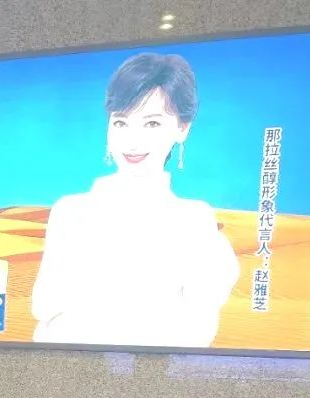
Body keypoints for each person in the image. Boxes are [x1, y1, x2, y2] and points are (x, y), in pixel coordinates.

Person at [31, 52, 239, 348]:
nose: (132, 141)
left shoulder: (194, 220)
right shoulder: (71, 211)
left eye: (152, 123)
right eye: (121, 123)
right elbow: (44, 309)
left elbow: (197, 332)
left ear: (182, 128)